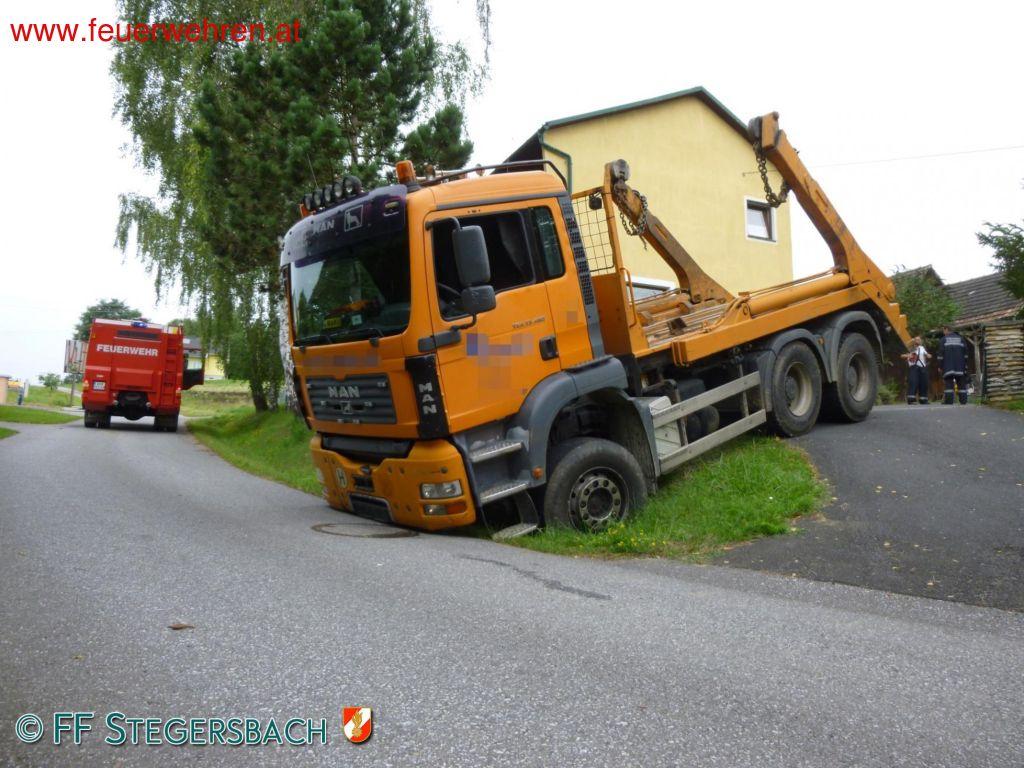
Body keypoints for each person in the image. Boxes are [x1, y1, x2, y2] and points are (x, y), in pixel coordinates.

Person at [937, 325, 969, 405]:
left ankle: (949, 402)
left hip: (948, 367)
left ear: (947, 329)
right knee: (961, 384)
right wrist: (965, 365)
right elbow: (966, 354)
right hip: (960, 366)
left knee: (949, 385)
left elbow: (940, 355)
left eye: (943, 331)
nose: (943, 333)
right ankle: (963, 401)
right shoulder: (961, 339)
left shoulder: (943, 340)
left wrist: (940, 366)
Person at [900, 336, 930, 404]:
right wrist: (908, 356)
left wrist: (928, 355)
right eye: (917, 339)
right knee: (913, 382)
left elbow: (925, 354)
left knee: (924, 383)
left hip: (922, 367)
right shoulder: (910, 348)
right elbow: (902, 355)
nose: (918, 341)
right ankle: (911, 400)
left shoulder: (922, 348)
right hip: (914, 367)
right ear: (914, 341)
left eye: (919, 339)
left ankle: (923, 399)